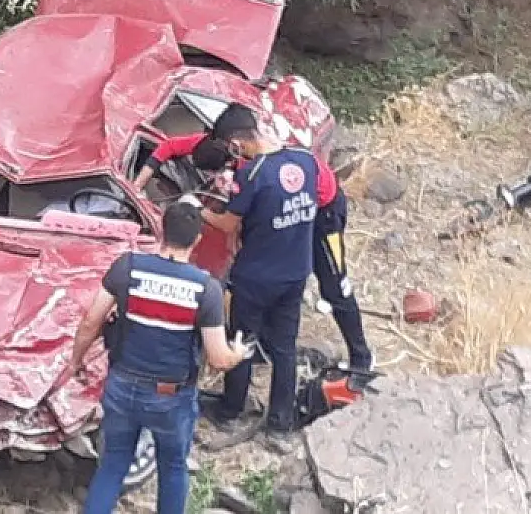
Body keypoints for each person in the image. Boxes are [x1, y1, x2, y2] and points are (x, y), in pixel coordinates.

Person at [135, 125, 374, 372]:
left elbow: (230, 222)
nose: (226, 173)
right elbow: (169, 147)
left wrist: (198, 209)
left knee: (336, 286)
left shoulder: (254, 162)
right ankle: (266, 343)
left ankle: (361, 358)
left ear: (235, 150)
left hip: (323, 213)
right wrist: (138, 184)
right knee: (272, 280)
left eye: (227, 167)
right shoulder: (222, 143)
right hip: (281, 216)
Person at [65, 202, 252, 514]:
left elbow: (90, 322)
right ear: (197, 241)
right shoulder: (206, 289)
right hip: (170, 397)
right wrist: (239, 354)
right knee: (174, 468)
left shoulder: (128, 267)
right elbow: (218, 358)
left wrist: (75, 362)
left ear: (162, 232)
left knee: (112, 466)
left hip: (122, 385)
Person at [194, 103, 319, 453]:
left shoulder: (253, 175)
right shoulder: (305, 161)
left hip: (256, 277)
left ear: (236, 142)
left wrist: (197, 210)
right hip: (296, 272)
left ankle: (231, 409)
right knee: (284, 348)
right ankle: (280, 424)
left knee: (242, 342)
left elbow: (228, 224)